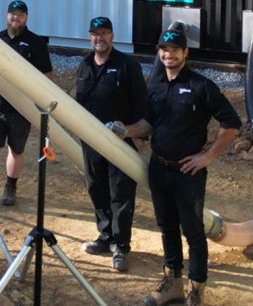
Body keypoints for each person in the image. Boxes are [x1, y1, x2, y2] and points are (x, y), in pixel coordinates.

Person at [117, 26, 240, 306]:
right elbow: (148, 124)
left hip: (187, 173)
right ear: (159, 53)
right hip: (158, 168)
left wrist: (206, 157)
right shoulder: (156, 86)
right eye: (164, 50)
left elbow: (231, 124)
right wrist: (125, 131)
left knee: (193, 231)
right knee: (167, 227)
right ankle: (172, 283)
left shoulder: (201, 86)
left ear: (185, 53)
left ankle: (196, 289)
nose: (168, 54)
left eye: (174, 50)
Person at [75, 16, 147, 272]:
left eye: (104, 33)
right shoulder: (84, 65)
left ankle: (121, 247)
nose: (99, 38)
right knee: (97, 189)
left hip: (120, 142)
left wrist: (134, 134)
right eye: (95, 33)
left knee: (121, 195)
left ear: (112, 36)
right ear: (89, 36)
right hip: (91, 142)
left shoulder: (127, 66)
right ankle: (105, 237)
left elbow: (141, 105)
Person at [0, 0, 52, 209]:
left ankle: (10, 189)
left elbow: (47, 75)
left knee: (16, 150)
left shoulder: (36, 43)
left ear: (26, 17)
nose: (16, 17)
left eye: (20, 14)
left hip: (22, 108)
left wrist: (38, 101)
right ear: (7, 16)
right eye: (12, 13)